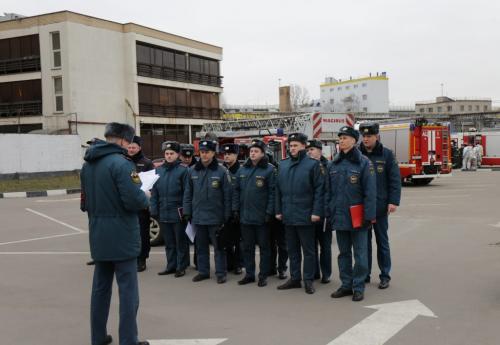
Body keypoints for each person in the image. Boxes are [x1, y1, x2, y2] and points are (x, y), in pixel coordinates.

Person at [80, 122, 150, 345]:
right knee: (128, 291)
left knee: (100, 290)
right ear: (121, 140)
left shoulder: (88, 165)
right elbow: (134, 200)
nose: (129, 145)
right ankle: (129, 340)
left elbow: (86, 202)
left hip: (98, 233)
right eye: (128, 141)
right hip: (122, 234)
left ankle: (98, 337)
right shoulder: (122, 165)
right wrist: (145, 195)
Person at [326, 126, 376, 302]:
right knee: (343, 253)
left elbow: (370, 193)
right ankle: (346, 285)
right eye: (340, 138)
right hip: (340, 216)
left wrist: (368, 217)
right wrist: (329, 212)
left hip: (358, 217)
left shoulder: (363, 163)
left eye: (345, 138)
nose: (341, 140)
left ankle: (358, 286)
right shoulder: (334, 164)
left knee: (360, 254)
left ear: (355, 141)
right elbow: (329, 192)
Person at [275, 133, 325, 295]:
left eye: (295, 145)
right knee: (292, 249)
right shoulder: (283, 165)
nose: (292, 148)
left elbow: (319, 191)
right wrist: (278, 210)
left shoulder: (312, 165)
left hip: (306, 215)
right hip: (288, 215)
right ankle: (295, 278)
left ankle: (308, 280)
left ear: (304, 146)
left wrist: (317, 212)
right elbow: (278, 190)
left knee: (309, 250)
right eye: (290, 146)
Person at [183, 140, 233, 284]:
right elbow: (188, 193)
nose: (204, 155)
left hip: (216, 217)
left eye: (207, 152)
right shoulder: (192, 170)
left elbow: (227, 195)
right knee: (201, 247)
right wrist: (187, 211)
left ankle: (220, 273)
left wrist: (227, 215)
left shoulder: (222, 171)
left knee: (219, 247)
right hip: (198, 216)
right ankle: (203, 272)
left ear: (213, 153)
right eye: (202, 152)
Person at [359, 123, 401, 289]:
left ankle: (385, 275)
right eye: (364, 136)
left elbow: (395, 180)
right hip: (362, 207)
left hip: (381, 207)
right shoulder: (358, 154)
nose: (366, 139)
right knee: (364, 243)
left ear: (377, 137)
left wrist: (393, 201)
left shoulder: (387, 155)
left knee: (382, 242)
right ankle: (365, 274)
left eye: (369, 136)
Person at [234, 139, 275, 287]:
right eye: (251, 151)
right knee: (247, 248)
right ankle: (249, 274)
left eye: (256, 151)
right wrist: (235, 209)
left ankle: (263, 275)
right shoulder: (242, 169)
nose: (252, 153)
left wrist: (269, 212)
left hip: (262, 217)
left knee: (264, 248)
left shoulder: (269, 170)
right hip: (245, 217)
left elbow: (272, 193)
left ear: (263, 153)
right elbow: (236, 191)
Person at [150, 141, 189, 278]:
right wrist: (154, 209)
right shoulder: (158, 170)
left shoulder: (183, 171)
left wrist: (186, 211)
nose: (169, 156)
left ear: (178, 155)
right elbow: (154, 192)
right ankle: (170, 266)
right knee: (169, 242)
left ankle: (181, 266)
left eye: (172, 153)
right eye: (166, 153)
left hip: (177, 211)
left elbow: (187, 193)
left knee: (180, 242)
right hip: (163, 211)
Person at [306, 139, 333, 284]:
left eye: (312, 149)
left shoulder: (328, 166)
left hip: (324, 214)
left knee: (325, 246)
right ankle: (314, 272)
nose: (309, 152)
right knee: (311, 246)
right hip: (309, 212)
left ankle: (326, 273)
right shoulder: (305, 166)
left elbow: (330, 191)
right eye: (308, 149)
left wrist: (328, 212)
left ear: (320, 151)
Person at [127, 136, 154, 272]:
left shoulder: (146, 163)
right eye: (129, 147)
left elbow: (152, 183)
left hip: (141, 204)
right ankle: (130, 258)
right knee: (128, 233)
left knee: (143, 233)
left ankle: (142, 259)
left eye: (134, 147)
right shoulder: (123, 161)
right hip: (127, 204)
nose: (131, 149)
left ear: (139, 148)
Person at [266, 151, 288, 280]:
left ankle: (282, 268)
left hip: (279, 214)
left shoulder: (278, 173)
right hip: (269, 213)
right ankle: (272, 267)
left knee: (282, 244)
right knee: (270, 243)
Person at [222, 143, 243, 275]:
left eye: (230, 154)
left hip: (237, 211)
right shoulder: (222, 170)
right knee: (226, 240)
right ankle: (229, 264)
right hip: (224, 211)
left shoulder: (241, 171)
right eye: (225, 154)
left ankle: (239, 264)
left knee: (239, 241)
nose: (227, 156)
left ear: (236, 155)